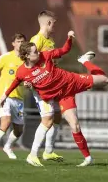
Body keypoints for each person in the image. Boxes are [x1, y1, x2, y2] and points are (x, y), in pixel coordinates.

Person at [0, 31, 108, 166]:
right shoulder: (22, 72)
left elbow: (64, 50)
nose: (39, 53)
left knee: (105, 80)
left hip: (72, 81)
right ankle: (88, 158)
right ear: (27, 56)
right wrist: (5, 95)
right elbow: (16, 81)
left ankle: (84, 61)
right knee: (74, 125)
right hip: (64, 96)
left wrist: (69, 38)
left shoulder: (45, 55)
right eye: (35, 52)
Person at [0, 33, 26, 159]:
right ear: (13, 43)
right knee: (6, 122)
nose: (21, 44)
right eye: (18, 41)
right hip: (5, 96)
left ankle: (7, 146)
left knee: (19, 130)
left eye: (23, 41)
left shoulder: (26, 60)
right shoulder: (6, 57)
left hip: (19, 98)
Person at [29, 10, 63, 162]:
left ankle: (48, 151)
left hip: (53, 83)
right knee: (47, 119)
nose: (55, 26)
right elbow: (28, 61)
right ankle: (33, 154)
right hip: (42, 85)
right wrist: (29, 79)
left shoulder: (50, 41)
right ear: (48, 23)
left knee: (56, 116)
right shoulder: (37, 40)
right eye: (54, 23)